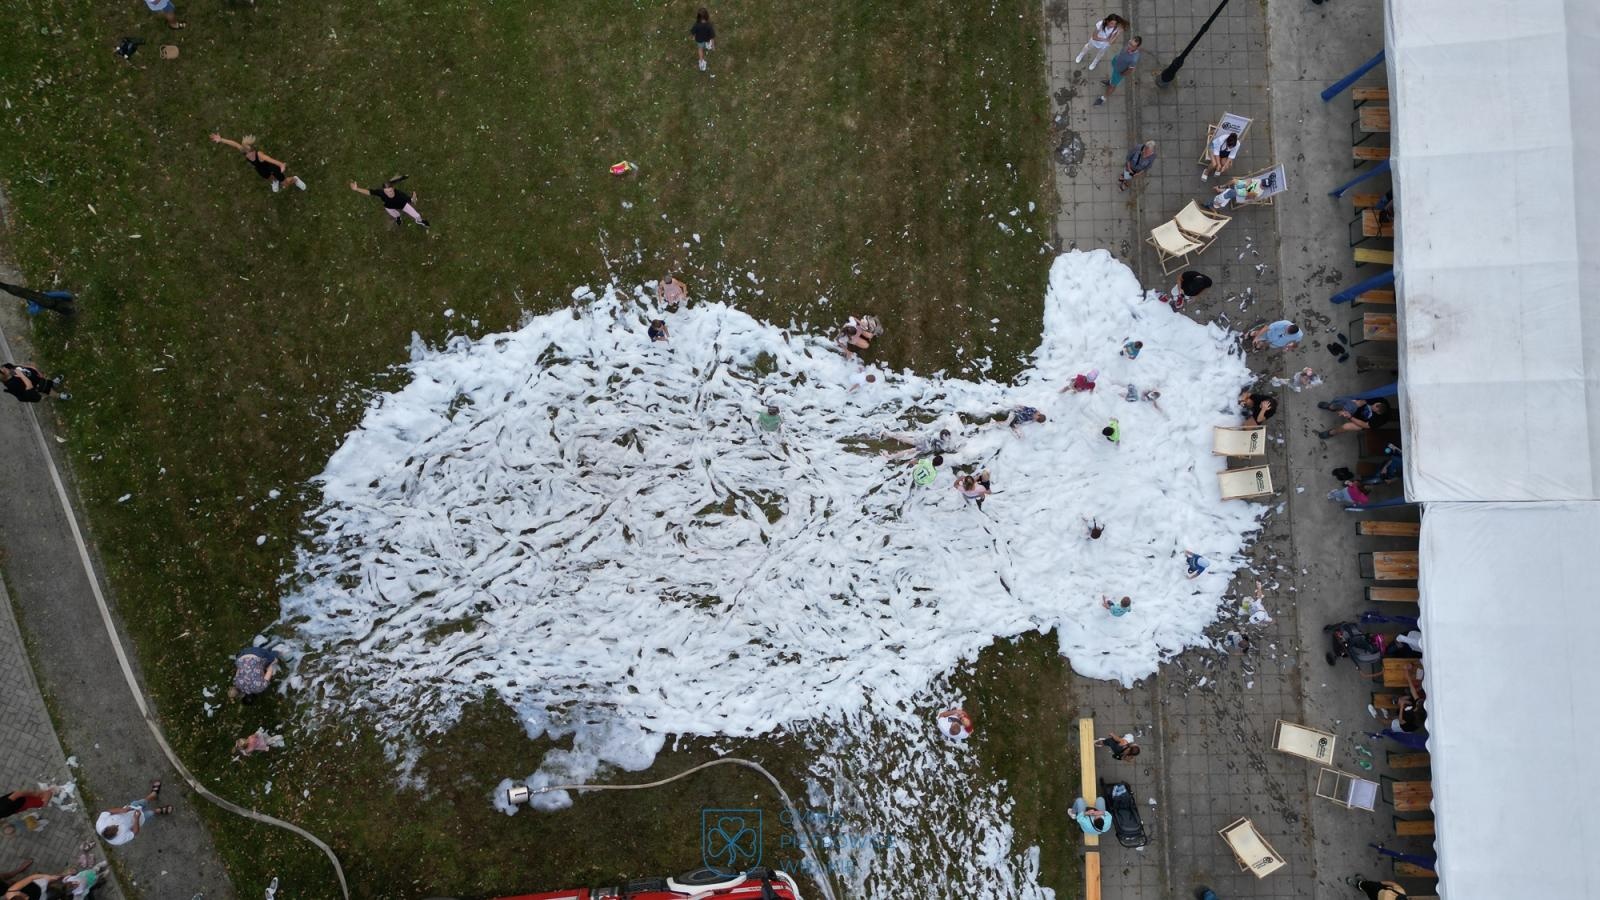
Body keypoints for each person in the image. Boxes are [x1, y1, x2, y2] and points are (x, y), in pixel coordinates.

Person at [210, 134, 307, 193]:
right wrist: (221, 139)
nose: (245, 153)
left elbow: (269, 159)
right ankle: (275, 181)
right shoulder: (244, 151)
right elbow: (234, 144)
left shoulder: (259, 154)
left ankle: (295, 179)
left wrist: (281, 164)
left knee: (285, 183)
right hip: (261, 169)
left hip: (272, 167)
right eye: (244, 151)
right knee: (269, 178)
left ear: (251, 149)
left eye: (247, 150)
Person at [95, 781, 171, 846]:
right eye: (117, 828)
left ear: (106, 827)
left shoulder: (100, 824)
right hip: (138, 819)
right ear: (115, 835)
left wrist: (122, 810)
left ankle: (153, 795)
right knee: (149, 814)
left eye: (113, 825)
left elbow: (108, 811)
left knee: (141, 802)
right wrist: (136, 819)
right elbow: (135, 832)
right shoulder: (119, 840)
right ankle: (157, 811)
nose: (116, 825)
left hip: (129, 809)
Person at [349, 178, 429, 228]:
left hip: (403, 205)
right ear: (383, 190)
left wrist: (414, 198)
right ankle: (398, 218)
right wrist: (357, 189)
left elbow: (412, 201)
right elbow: (369, 192)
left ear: (393, 189)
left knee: (417, 215)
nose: (389, 193)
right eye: (386, 191)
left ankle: (419, 221)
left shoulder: (400, 195)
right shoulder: (381, 192)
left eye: (390, 191)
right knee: (395, 214)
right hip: (389, 207)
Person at [1095, 37, 1142, 105]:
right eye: (1129, 43)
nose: (1129, 46)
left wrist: (1121, 75)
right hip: (1116, 63)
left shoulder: (1133, 59)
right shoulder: (1128, 46)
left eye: (1132, 46)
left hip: (1119, 72)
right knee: (1112, 79)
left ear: (1137, 47)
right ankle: (1110, 81)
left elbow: (1130, 70)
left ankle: (1103, 99)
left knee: (1112, 86)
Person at [1315, 398, 1391, 438]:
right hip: (1358, 408)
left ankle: (1331, 433)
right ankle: (1330, 407)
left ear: (1378, 413)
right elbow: (1362, 401)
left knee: (1346, 426)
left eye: (1374, 409)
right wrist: (1345, 410)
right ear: (1379, 403)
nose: (1373, 406)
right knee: (1344, 404)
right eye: (1375, 405)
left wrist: (1350, 417)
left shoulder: (1379, 420)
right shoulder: (1380, 400)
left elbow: (1365, 425)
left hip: (1362, 422)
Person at [1, 364, 65, 403]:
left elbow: (20, 366)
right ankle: (58, 396)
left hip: (35, 378)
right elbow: (29, 386)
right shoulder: (12, 384)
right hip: (35, 386)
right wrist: (21, 375)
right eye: (4, 370)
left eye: (2, 367)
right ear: (4, 376)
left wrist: (33, 368)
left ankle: (53, 383)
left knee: (46, 381)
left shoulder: (7, 367)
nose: (4, 367)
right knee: (47, 390)